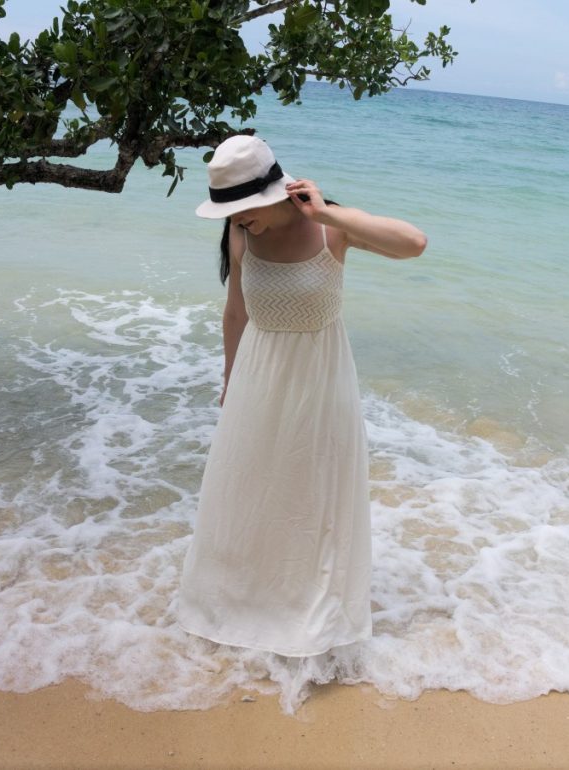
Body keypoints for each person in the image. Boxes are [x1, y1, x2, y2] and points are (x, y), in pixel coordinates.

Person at [175, 135, 426, 657]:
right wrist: (229, 380)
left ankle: (313, 615)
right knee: (253, 490)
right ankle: (244, 602)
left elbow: (413, 243)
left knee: (314, 495)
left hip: (321, 378)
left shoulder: (330, 230)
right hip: (258, 376)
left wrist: (333, 215)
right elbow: (235, 312)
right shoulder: (240, 233)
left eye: (246, 210)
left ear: (275, 192)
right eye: (232, 213)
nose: (239, 221)